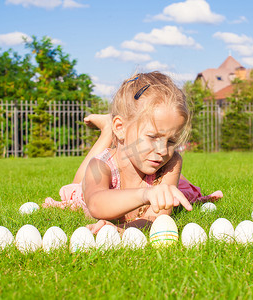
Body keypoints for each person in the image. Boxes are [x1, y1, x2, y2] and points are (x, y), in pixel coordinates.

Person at [43, 72, 222, 234]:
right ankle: (107, 130)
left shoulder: (171, 161)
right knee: (78, 184)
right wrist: (145, 195)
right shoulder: (101, 165)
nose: (162, 150)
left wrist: (122, 229)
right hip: (98, 177)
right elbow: (96, 204)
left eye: (171, 141)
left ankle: (110, 127)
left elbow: (157, 217)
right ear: (120, 128)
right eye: (153, 137)